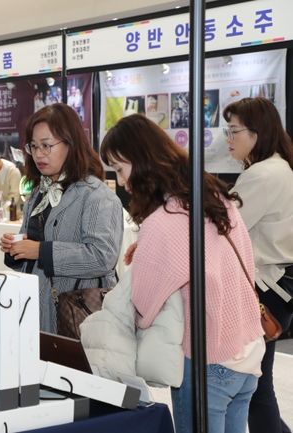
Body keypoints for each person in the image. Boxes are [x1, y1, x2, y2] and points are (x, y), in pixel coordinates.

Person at [100, 113, 265, 433]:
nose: (120, 181)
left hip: (208, 359)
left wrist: (144, 261)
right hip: (247, 350)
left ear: (141, 161)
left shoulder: (164, 220)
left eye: (120, 169)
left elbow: (143, 308)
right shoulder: (213, 196)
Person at [0, 103, 123, 333]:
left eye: (47, 145)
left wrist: (40, 251)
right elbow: (33, 248)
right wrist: (16, 248)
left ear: (70, 143)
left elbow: (102, 257)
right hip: (38, 311)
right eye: (34, 146)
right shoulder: (38, 193)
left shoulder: (96, 195)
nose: (39, 154)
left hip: (81, 317)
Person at [223, 97, 293, 433]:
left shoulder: (262, 175)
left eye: (234, 131)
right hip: (277, 287)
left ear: (257, 133)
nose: (228, 138)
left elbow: (223, 227)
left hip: (265, 287)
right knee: (256, 384)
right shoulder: (278, 168)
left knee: (254, 388)